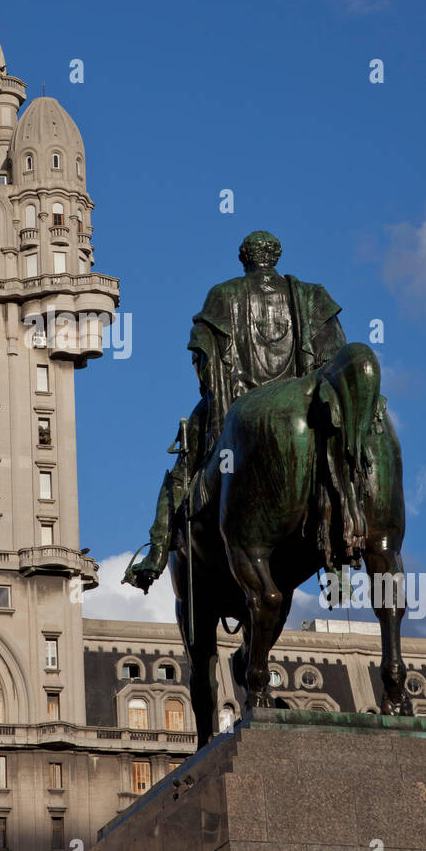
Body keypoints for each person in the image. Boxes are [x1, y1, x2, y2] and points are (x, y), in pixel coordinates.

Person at [125, 230, 345, 590]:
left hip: (237, 404)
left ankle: (154, 558)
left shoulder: (223, 295)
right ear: (275, 256)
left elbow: (203, 355)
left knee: (181, 471)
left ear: (245, 259)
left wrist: (217, 402)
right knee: (342, 454)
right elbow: (333, 355)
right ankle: (341, 540)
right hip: (303, 403)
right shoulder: (312, 295)